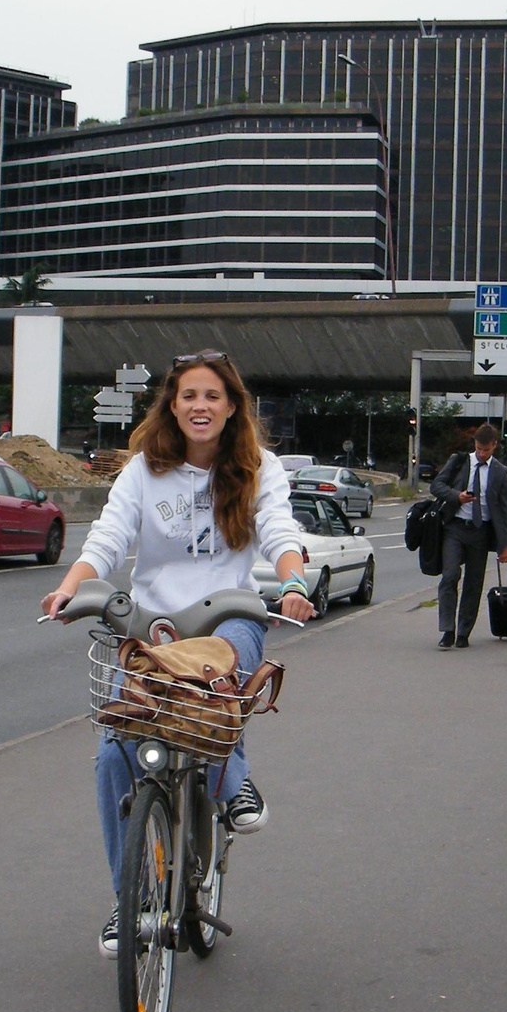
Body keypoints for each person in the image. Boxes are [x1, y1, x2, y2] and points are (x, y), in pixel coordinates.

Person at [42, 351, 314, 956]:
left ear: (232, 406)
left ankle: (232, 782)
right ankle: (129, 902)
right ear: (172, 404)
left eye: (213, 396)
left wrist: (293, 581)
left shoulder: (258, 467)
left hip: (228, 616)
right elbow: (109, 537)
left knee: (219, 693)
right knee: (116, 744)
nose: (200, 406)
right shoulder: (144, 470)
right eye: (189, 395)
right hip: (155, 626)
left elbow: (279, 529)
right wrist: (71, 585)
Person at [429, 423, 507, 649]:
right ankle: (447, 629)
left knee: (474, 584)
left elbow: (505, 510)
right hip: (455, 528)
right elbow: (436, 486)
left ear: (494, 446)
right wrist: (457, 496)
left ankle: (464, 632)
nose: (481, 453)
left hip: (481, 533)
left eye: (486, 450)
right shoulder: (459, 461)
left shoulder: (499, 472)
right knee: (450, 576)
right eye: (478, 449)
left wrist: (505, 545)